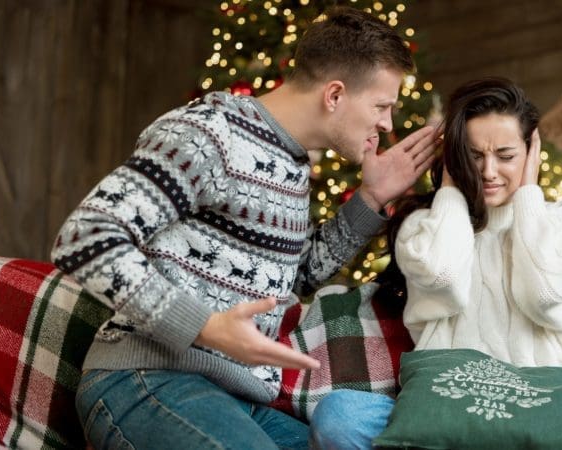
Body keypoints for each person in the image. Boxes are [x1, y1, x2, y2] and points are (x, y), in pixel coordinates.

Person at [51, 7, 438, 449]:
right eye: (381, 106)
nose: (386, 123)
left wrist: (370, 199)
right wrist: (206, 327)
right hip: (148, 380)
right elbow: (86, 235)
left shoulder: (292, 164)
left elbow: (295, 277)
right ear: (334, 95)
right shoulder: (210, 133)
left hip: (235, 398)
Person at [309, 77, 562, 449]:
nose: (489, 172)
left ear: (531, 152)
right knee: (339, 414)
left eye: (506, 155)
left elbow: (542, 294)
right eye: (473, 156)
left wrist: (529, 194)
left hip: (542, 413)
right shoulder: (424, 226)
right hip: (444, 415)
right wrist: (450, 188)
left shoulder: (556, 221)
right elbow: (444, 278)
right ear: (456, 157)